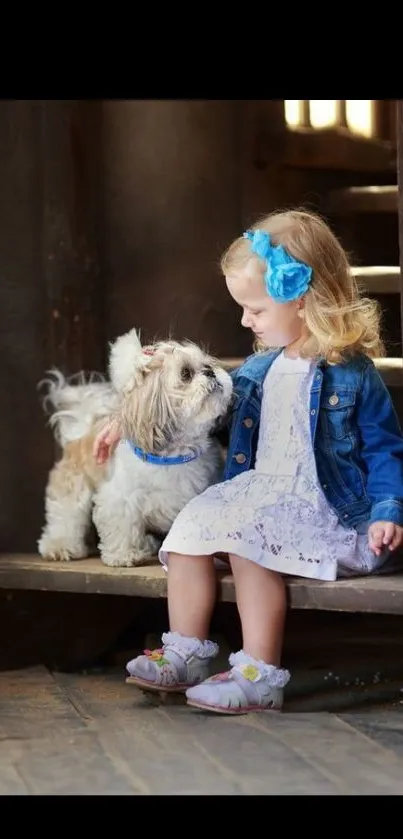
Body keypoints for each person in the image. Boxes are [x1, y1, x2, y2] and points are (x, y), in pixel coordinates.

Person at [93, 209, 403, 715]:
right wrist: (126, 420)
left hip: (328, 509)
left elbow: (384, 447)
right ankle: (184, 651)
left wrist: (389, 509)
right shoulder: (259, 370)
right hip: (261, 493)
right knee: (191, 528)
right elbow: (197, 404)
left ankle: (259, 672)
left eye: (255, 309)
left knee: (248, 540)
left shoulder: (351, 374)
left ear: (302, 298)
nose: (245, 321)